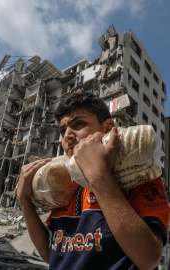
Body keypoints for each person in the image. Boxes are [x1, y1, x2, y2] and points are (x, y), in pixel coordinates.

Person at [17, 92, 170, 270]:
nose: (67, 136)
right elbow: (51, 255)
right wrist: (24, 200)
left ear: (108, 127)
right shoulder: (63, 184)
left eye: (79, 124)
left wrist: (99, 176)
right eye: (62, 130)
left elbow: (148, 258)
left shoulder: (137, 174)